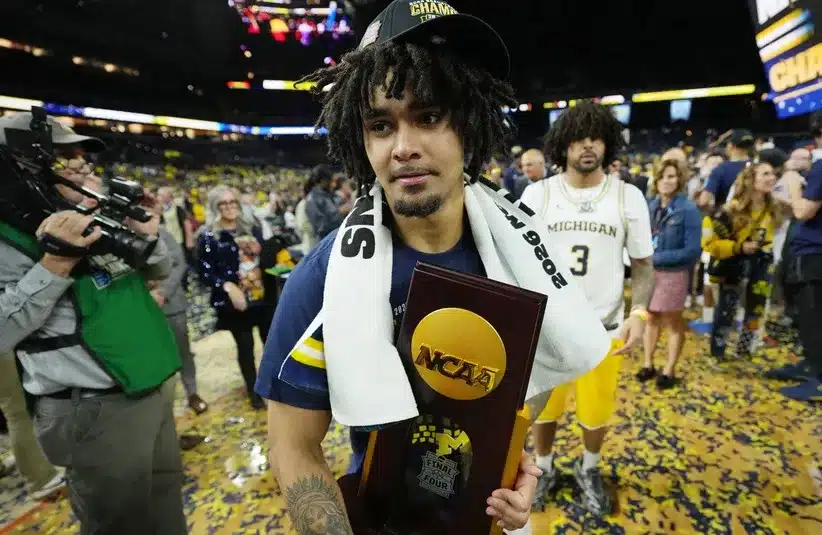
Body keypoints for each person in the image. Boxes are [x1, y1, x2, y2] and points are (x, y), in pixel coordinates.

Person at [255, 1, 613, 533]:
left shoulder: (522, 253)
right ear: (364, 141)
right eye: (380, 125)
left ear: (466, 125)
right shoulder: (325, 277)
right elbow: (293, 446)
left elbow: (521, 392)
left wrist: (512, 462)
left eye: (427, 117)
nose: (403, 148)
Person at [0, 113, 186, 534]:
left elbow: (154, 271)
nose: (85, 170)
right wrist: (54, 263)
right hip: (93, 405)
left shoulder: (88, 211)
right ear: (25, 164)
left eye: (84, 159)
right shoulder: (7, 235)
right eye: (67, 159)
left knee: (165, 506)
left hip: (147, 382)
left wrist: (147, 234)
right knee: (118, 523)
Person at [520, 101, 655, 516]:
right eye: (578, 138)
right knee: (545, 409)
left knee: (596, 412)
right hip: (550, 330)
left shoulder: (627, 195)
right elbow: (517, 261)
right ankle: (543, 468)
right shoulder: (536, 194)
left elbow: (644, 266)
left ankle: (589, 468)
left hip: (604, 329)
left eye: (595, 137)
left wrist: (640, 314)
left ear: (608, 143)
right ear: (564, 145)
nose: (587, 146)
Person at [702, 161, 785, 361]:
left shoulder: (775, 207)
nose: (771, 178)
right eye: (765, 174)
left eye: (773, 174)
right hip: (734, 262)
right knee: (727, 308)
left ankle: (744, 348)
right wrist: (738, 247)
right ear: (750, 180)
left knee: (756, 308)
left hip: (763, 262)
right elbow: (709, 243)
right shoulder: (730, 210)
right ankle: (718, 352)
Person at [197, 186, 271, 410]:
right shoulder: (209, 236)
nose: (229, 207)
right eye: (223, 203)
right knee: (246, 346)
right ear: (215, 207)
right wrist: (227, 286)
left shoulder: (252, 227)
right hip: (235, 303)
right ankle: (254, 390)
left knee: (271, 342)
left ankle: (274, 385)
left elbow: (265, 256)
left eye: (233, 202)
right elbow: (204, 271)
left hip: (262, 296)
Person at [638, 159, 702, 388]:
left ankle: (669, 369)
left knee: (673, 323)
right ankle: (648, 363)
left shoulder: (688, 210)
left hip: (673, 273)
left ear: (680, 180)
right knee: (651, 318)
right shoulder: (650, 205)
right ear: (656, 179)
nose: (667, 181)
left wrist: (656, 258)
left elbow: (693, 250)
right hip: (649, 272)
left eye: (672, 176)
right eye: (663, 176)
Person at [776, 157, 822, 400]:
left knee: (813, 317)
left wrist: (794, 187)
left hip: (814, 254)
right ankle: (810, 365)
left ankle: (817, 379)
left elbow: (804, 211)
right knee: (809, 317)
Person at [698, 129, 756, 210]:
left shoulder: (721, 169)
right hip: (755, 217)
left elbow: (704, 201)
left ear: (731, 145)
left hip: (727, 218)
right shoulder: (757, 166)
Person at [305, 164, 351, 240]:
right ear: (322, 180)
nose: (331, 183)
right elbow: (320, 226)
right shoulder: (312, 199)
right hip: (326, 241)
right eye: (329, 179)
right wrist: (340, 212)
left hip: (338, 237)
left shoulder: (328, 195)